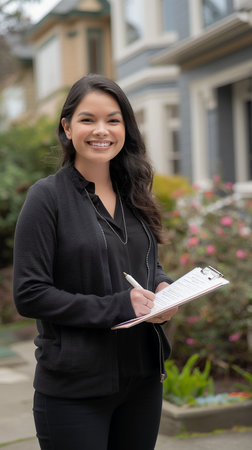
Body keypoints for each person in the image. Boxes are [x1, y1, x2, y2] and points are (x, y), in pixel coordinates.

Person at [13, 73, 177, 450]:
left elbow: (144, 265)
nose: (101, 130)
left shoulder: (134, 192)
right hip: (74, 389)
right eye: (88, 119)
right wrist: (120, 306)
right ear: (67, 127)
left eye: (113, 120)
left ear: (126, 129)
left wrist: (163, 288)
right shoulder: (47, 198)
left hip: (142, 381)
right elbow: (30, 294)